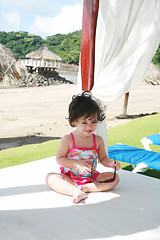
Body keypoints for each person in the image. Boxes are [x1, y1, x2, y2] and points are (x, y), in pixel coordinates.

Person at [46, 91, 120, 204]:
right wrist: (76, 163)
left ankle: (86, 188)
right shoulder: (68, 139)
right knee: (50, 177)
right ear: (74, 121)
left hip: (92, 177)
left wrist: (111, 164)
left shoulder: (98, 140)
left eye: (93, 122)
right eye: (84, 123)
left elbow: (103, 158)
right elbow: (60, 159)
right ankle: (75, 191)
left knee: (115, 179)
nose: (89, 126)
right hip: (70, 178)